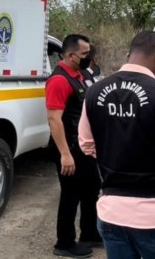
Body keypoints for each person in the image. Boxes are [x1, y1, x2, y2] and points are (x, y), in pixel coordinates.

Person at [79, 31, 155, 259]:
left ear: (128, 55)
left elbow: (86, 144)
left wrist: (116, 155)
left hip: (112, 214)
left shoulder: (94, 92)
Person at [46, 34, 102, 258]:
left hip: (82, 146)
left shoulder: (79, 74)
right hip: (68, 147)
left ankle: (89, 233)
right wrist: (65, 155)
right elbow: (54, 119)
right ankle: (64, 243)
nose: (89, 58)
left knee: (92, 187)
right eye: (85, 54)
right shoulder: (59, 80)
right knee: (71, 194)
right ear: (70, 55)